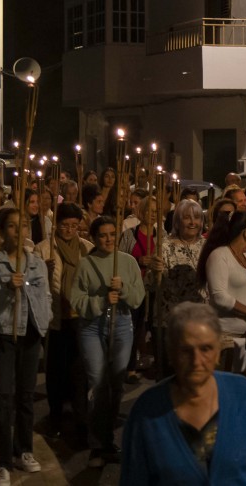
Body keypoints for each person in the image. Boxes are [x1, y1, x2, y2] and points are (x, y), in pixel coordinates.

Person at [121, 302, 246, 485]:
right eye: (186, 350)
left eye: (205, 349)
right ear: (171, 353)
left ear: (217, 351)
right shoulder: (147, 411)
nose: (196, 361)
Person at [0, 208, 51, 485]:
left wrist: (45, 323)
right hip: (4, 335)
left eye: (22, 226)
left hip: (30, 334)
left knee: (25, 396)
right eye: (11, 226)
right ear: (1, 231)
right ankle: (1, 463)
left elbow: (44, 296)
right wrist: (6, 289)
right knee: (4, 397)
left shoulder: (36, 263)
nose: (17, 231)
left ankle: (24, 449)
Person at [70, 216, 144, 467]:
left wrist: (122, 288)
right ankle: (97, 444)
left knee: (116, 384)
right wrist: (101, 301)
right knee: (98, 383)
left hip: (122, 324)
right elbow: (77, 300)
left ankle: (108, 436)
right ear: (94, 237)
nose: (109, 239)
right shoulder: (86, 264)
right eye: (103, 235)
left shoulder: (128, 262)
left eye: (113, 234)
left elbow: (137, 298)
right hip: (93, 326)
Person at [36, 203, 91, 438]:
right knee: (56, 370)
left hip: (80, 317)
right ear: (56, 225)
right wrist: (42, 271)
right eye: (64, 225)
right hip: (55, 317)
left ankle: (81, 418)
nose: (69, 230)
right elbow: (33, 285)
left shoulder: (86, 249)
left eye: (73, 225)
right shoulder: (43, 249)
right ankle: (55, 415)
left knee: (80, 370)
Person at [198, 211, 246, 378]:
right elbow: (219, 296)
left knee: (245, 389)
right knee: (225, 391)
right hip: (225, 338)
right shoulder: (219, 256)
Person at [151, 199, 205, 378]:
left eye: (196, 218)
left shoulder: (206, 246)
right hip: (170, 319)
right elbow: (152, 283)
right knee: (170, 374)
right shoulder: (165, 245)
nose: (192, 222)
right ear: (177, 221)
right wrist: (155, 271)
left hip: (199, 320)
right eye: (187, 218)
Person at [126, 197, 159, 383]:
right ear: (141, 212)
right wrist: (139, 261)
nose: (153, 214)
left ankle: (155, 362)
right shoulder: (130, 234)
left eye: (156, 210)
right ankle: (130, 366)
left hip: (154, 285)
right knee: (135, 325)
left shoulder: (161, 234)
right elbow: (123, 260)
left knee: (154, 326)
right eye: (149, 210)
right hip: (135, 286)